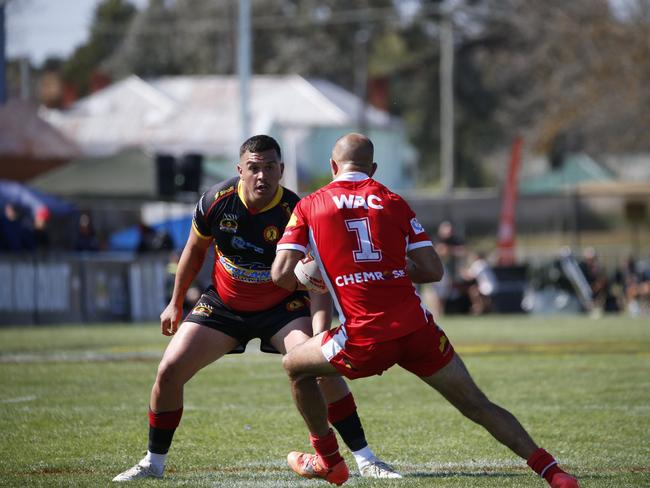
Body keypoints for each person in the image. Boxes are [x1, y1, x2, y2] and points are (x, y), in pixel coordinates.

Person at [271, 133, 580, 487]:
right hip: (417, 330)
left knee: (294, 366)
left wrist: (319, 277)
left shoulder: (310, 204)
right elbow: (433, 269)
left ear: (332, 166)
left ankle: (329, 461)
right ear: (372, 168)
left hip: (365, 337)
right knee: (477, 404)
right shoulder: (393, 201)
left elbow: (281, 275)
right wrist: (388, 270)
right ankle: (552, 472)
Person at [112, 135, 399, 482]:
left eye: (269, 168)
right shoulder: (216, 201)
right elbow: (193, 252)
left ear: (281, 170)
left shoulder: (299, 210)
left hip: (283, 309)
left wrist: (321, 330)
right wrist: (175, 303)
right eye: (254, 168)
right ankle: (152, 463)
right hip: (223, 306)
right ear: (240, 170)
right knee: (169, 370)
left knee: (322, 369)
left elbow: (316, 277)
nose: (262, 176)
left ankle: (366, 459)